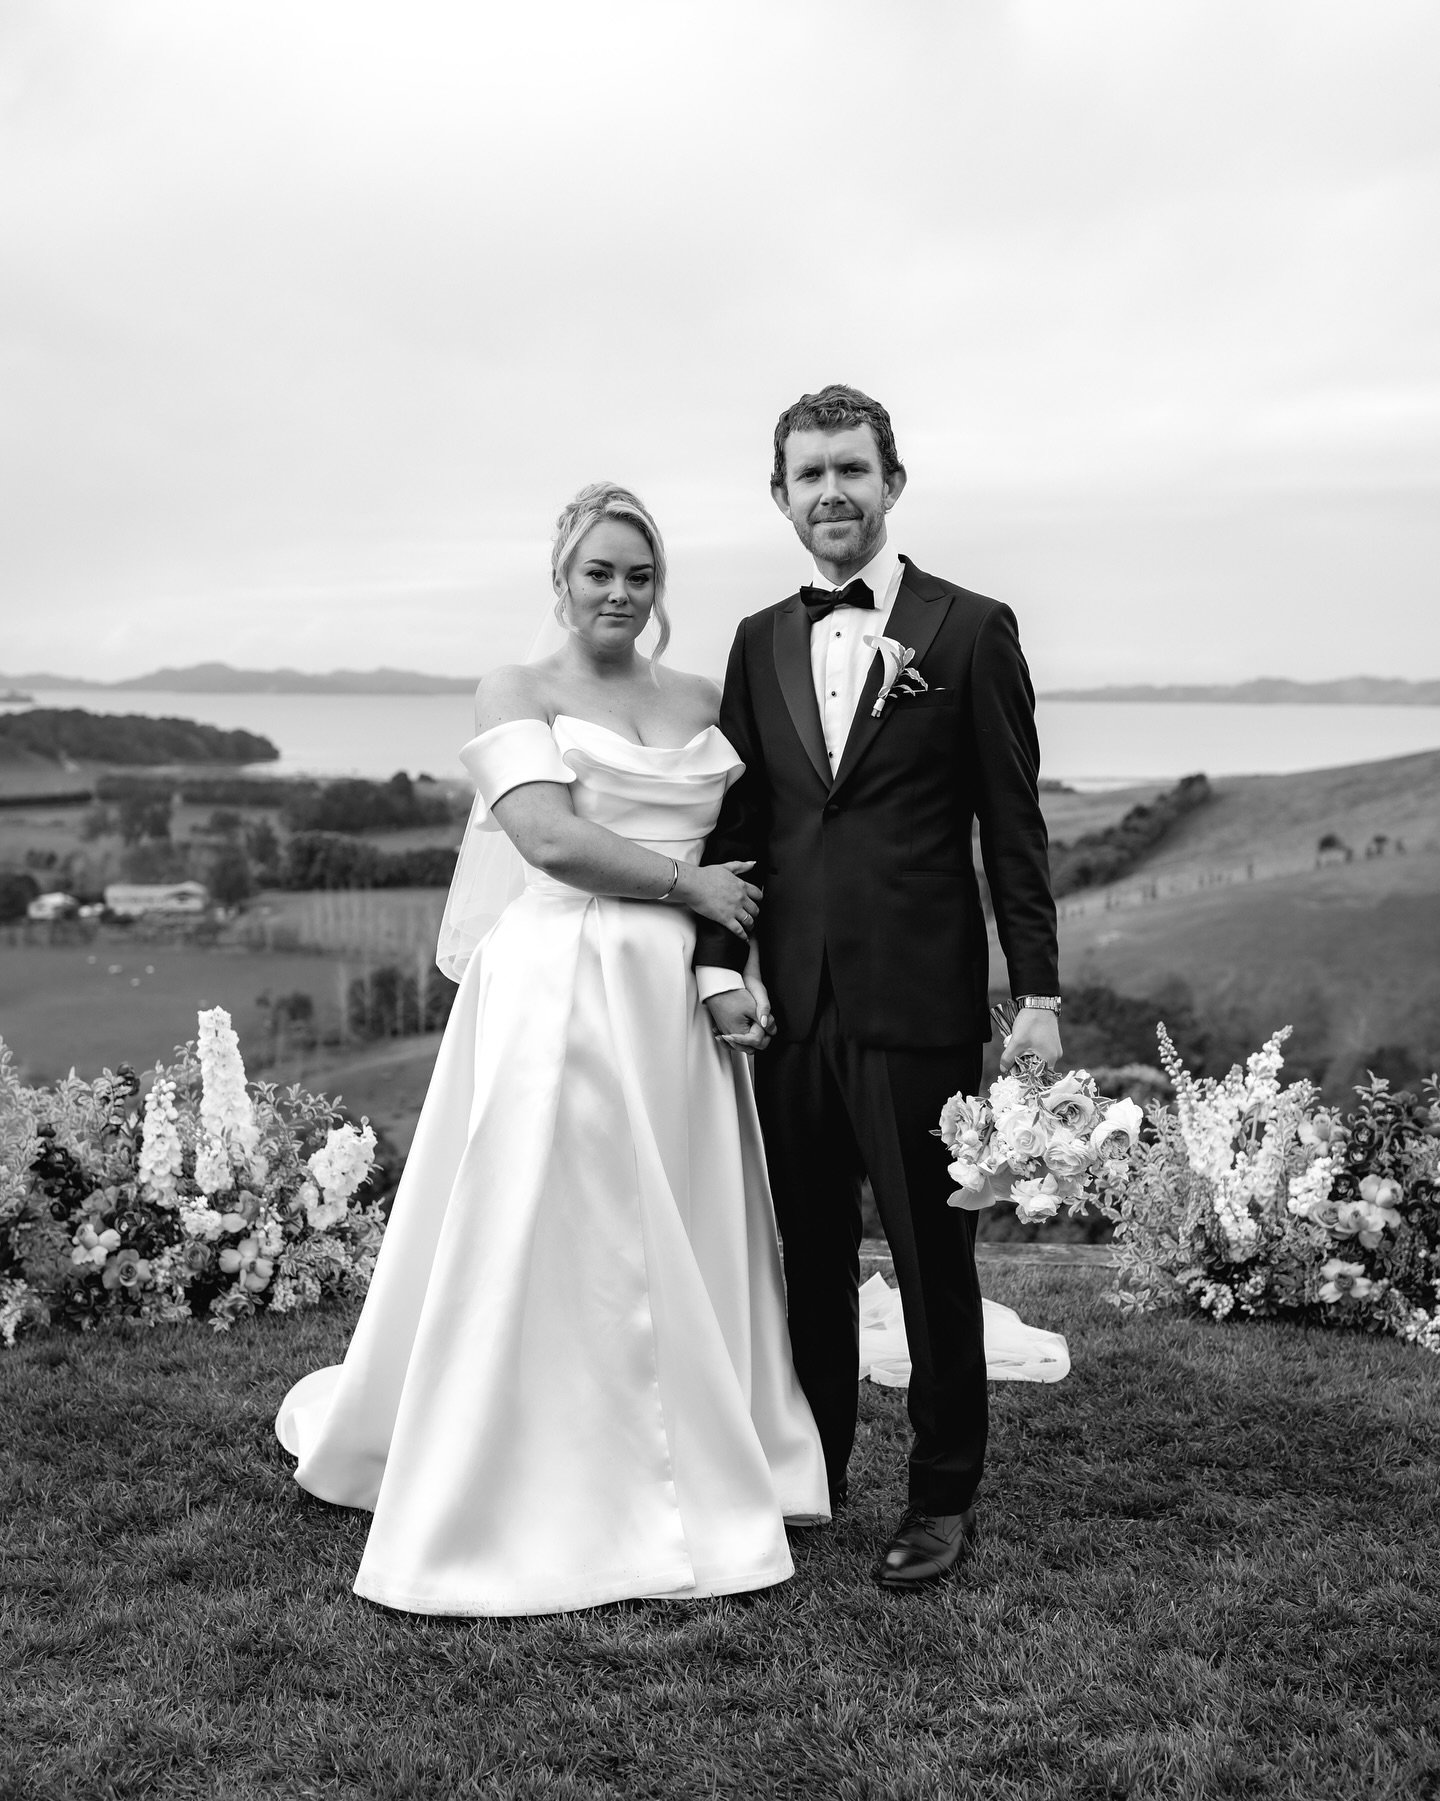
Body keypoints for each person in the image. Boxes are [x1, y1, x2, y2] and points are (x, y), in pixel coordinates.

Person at [276, 481, 829, 1616]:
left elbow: (748, 857)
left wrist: (726, 968)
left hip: (671, 998)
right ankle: (523, 1470)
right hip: (559, 985)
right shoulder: (515, 687)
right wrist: (689, 889)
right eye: (599, 573)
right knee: (552, 1225)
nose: (620, 592)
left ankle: (707, 1443)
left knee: (679, 1216)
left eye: (639, 574)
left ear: (658, 585)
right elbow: (547, 836)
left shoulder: (704, 694)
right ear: (563, 581)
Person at [695, 385, 1063, 1591]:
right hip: (790, 1004)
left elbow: (1014, 830)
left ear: (892, 482)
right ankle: (814, 1475)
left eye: (851, 470)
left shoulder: (970, 628)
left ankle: (942, 1496)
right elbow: (740, 819)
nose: (832, 494)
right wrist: (716, 965)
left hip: (918, 1001)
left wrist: (1041, 994)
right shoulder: (755, 641)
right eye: (809, 475)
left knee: (928, 1258)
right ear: (782, 496)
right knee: (805, 1255)